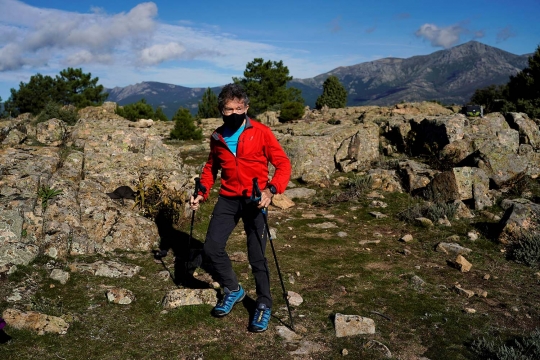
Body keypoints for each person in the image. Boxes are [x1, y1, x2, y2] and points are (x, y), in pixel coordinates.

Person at [190, 83, 291, 333]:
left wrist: (272, 190)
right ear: (221, 110)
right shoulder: (217, 136)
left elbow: (282, 164)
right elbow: (211, 167)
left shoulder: (261, 132)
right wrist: (202, 192)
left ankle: (264, 304)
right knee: (212, 248)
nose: (234, 112)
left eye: (239, 108)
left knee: (256, 255)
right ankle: (233, 289)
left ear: (246, 107)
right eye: (228, 109)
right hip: (228, 198)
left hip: (256, 199)